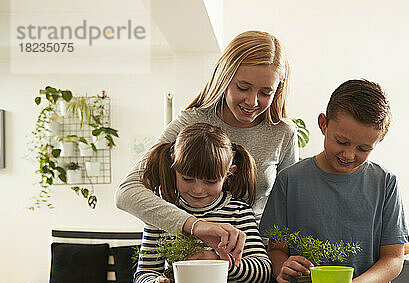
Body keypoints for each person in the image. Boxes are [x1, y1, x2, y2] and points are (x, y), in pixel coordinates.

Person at [116, 30, 298, 267]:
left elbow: (289, 207)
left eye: (266, 92)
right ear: (223, 78)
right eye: (243, 87)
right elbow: (126, 192)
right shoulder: (190, 123)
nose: (252, 102)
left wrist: (276, 263)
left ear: (278, 90)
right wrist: (195, 226)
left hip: (255, 266)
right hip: (193, 257)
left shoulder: (283, 133)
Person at [259, 79, 409, 283]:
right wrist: (283, 266)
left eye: (363, 148)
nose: (349, 155)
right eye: (341, 141)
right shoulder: (290, 181)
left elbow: (393, 259)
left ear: (379, 140)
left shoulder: (385, 183)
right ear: (323, 124)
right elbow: (277, 250)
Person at [134, 122, 272, 283]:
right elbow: (145, 272)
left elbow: (262, 273)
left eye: (210, 181)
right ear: (173, 166)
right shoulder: (162, 213)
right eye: (187, 179)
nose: (198, 190)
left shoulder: (238, 212)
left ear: (228, 173)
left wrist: (220, 260)